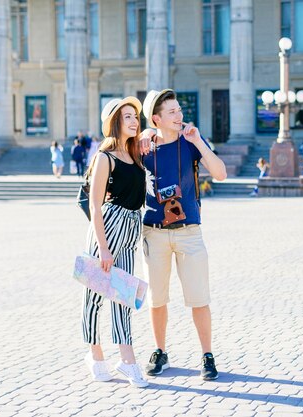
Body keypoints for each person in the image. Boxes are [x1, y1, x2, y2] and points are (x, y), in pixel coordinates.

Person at [139, 89, 227, 380]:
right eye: (172, 112)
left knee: (199, 297)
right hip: (155, 233)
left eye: (179, 110)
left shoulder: (191, 144)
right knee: (157, 299)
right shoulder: (143, 149)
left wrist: (198, 141)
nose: (179, 116)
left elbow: (221, 173)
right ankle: (160, 350)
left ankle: (207, 355)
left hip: (189, 231)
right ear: (156, 119)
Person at [80, 96, 148, 387]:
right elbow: (95, 205)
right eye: (128, 117)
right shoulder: (104, 158)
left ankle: (127, 360)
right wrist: (104, 247)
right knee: (95, 295)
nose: (134, 121)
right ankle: (95, 355)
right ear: (115, 123)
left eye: (135, 116)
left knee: (123, 295)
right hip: (108, 227)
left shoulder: (134, 156)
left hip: (131, 227)